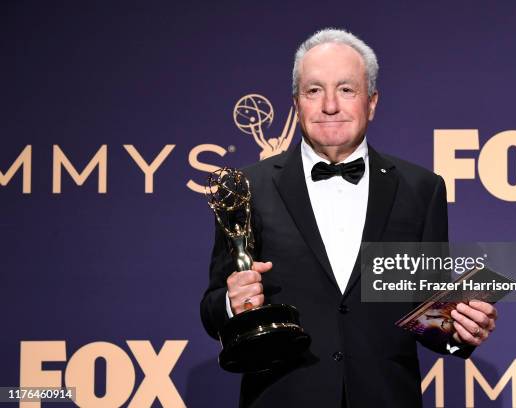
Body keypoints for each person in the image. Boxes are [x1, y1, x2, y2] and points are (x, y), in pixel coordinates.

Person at [201, 28, 498, 408]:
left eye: (346, 89)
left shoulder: (422, 189)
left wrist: (461, 328)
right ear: (296, 103)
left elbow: (429, 316)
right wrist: (231, 302)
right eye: (313, 90)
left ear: (371, 102)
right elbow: (212, 311)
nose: (329, 105)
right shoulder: (245, 187)